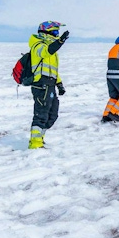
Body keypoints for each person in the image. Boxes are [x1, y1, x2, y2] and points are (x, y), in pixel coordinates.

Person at [28, 21, 69, 149]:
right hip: (41, 85)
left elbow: (53, 70)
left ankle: (40, 138)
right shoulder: (38, 46)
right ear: (46, 32)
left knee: (53, 114)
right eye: (55, 32)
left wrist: (59, 84)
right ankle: (35, 144)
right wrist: (60, 42)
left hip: (50, 85)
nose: (57, 35)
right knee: (41, 114)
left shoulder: (52, 51)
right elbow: (46, 52)